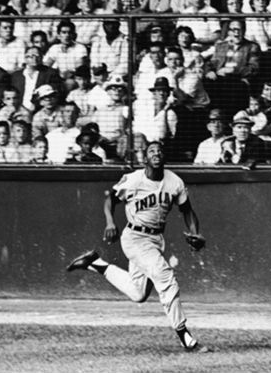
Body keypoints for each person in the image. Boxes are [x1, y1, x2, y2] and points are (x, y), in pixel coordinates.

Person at [66, 140, 209, 352]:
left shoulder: (174, 182)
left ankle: (95, 263)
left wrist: (196, 233)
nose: (156, 153)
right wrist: (110, 221)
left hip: (155, 240)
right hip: (134, 237)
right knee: (165, 277)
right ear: (145, 158)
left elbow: (187, 210)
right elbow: (110, 199)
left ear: (165, 157)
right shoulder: (133, 180)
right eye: (152, 151)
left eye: (160, 150)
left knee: (138, 293)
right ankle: (185, 336)